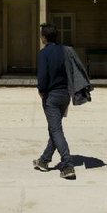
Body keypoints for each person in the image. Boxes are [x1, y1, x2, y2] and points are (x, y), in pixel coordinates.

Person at [32, 22, 75, 180]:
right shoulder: (65, 50)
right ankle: (44, 160)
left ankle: (67, 164)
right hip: (65, 95)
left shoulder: (44, 53)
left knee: (56, 130)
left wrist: (41, 90)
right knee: (54, 128)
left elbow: (42, 76)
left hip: (51, 96)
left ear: (44, 37)